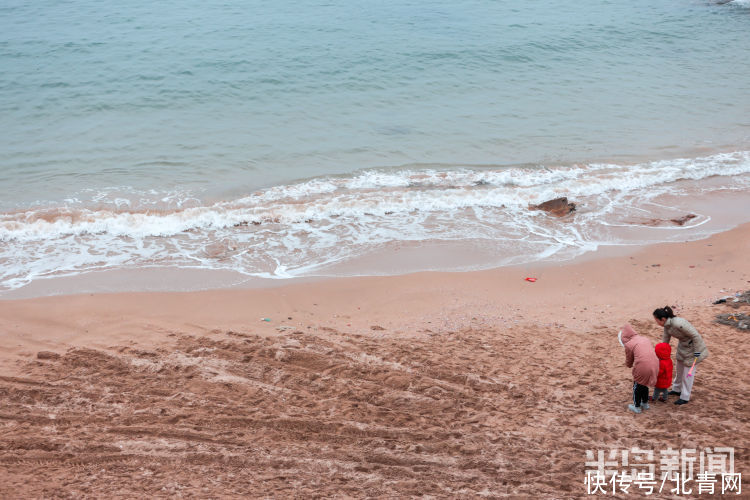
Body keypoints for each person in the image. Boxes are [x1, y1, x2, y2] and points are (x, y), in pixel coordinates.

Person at [653, 306, 709, 405]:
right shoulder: (667, 325)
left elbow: (695, 336)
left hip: (693, 349)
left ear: (663, 319)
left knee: (688, 375)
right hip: (682, 347)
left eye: (656, 320)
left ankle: (685, 397)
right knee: (679, 370)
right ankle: (677, 389)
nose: (656, 322)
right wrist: (661, 354)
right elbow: (665, 340)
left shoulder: (678, 323)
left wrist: (696, 353)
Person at [618, 324, 659, 414]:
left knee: (637, 387)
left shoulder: (629, 344)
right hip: (655, 364)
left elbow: (629, 361)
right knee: (644, 385)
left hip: (643, 367)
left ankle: (636, 406)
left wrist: (628, 365)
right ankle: (645, 403)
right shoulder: (645, 339)